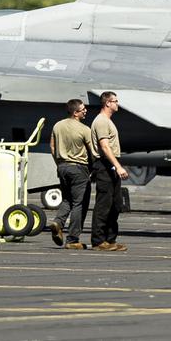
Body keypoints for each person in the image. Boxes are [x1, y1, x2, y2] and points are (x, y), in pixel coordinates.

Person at [49, 98, 94, 250]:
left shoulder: (57, 125)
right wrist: (94, 169)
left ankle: (58, 223)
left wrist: (59, 164)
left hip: (62, 167)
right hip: (79, 168)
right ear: (75, 113)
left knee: (67, 199)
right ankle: (73, 239)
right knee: (78, 204)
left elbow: (53, 147)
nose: (85, 111)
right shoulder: (84, 129)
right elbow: (92, 152)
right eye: (83, 109)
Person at [89, 91, 129, 251]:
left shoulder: (107, 121)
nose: (117, 104)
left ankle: (110, 240)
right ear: (107, 103)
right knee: (104, 204)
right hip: (104, 165)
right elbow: (104, 146)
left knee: (116, 204)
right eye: (115, 101)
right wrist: (117, 166)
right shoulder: (101, 122)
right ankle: (98, 241)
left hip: (111, 165)